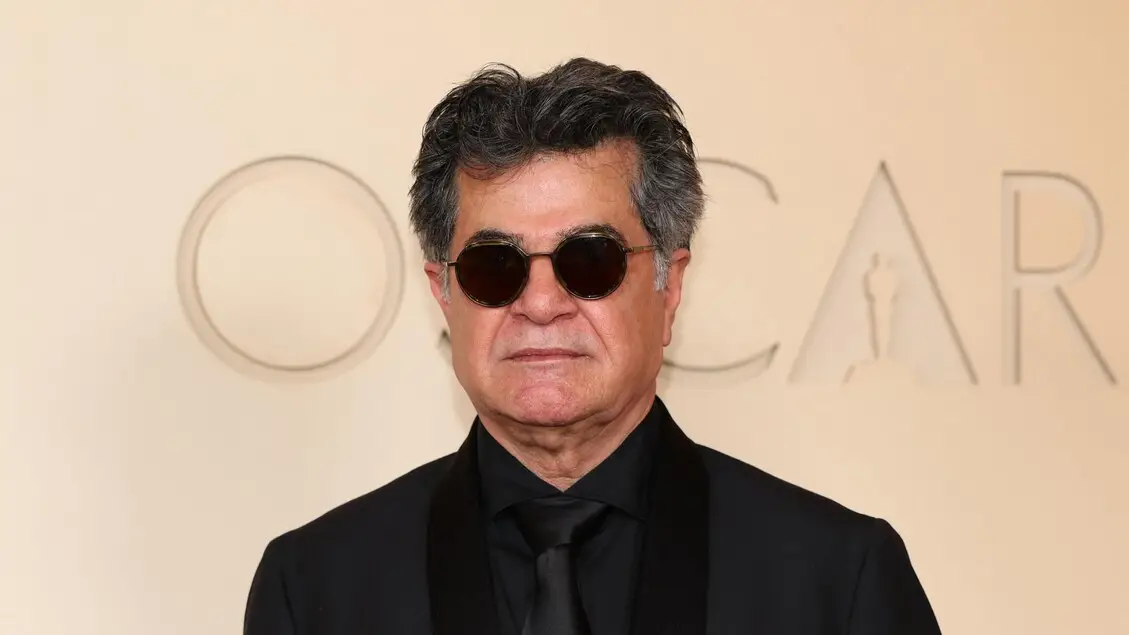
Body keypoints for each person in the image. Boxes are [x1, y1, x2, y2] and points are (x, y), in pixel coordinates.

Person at [243, 58, 942, 635]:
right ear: (444, 292)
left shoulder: (836, 580)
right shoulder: (316, 588)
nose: (541, 303)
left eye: (589, 260)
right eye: (495, 266)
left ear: (669, 286)